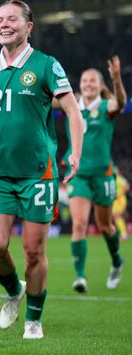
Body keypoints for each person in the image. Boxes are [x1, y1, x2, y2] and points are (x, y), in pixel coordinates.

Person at [0, 0, 83, 340]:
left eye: (11, 19)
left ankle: (34, 319)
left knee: (34, 252)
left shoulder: (46, 65)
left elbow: (74, 112)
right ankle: (13, 289)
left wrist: (75, 153)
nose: (3, 24)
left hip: (38, 173)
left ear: (28, 26)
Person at [63, 56, 127, 292]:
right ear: (79, 84)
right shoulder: (72, 106)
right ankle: (80, 277)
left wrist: (117, 79)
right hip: (78, 175)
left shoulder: (104, 107)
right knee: (78, 224)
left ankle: (117, 261)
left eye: (92, 81)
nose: (88, 84)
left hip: (103, 176)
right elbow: (48, 100)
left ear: (100, 86)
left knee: (105, 226)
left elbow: (120, 102)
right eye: (84, 80)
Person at [113, 172, 129, 241]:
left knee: (117, 216)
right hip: (115, 201)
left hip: (120, 200)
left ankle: (124, 234)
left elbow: (127, 186)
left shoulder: (120, 179)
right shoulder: (113, 179)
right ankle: (123, 233)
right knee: (115, 217)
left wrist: (120, 193)